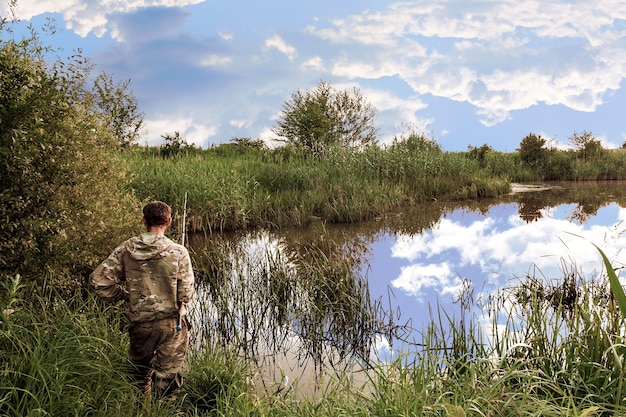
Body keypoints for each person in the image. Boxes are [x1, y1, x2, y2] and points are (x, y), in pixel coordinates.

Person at [89, 201, 195, 398]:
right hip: (172, 324)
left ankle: (140, 407)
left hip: (141, 323)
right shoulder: (179, 252)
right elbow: (186, 295)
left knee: (139, 374)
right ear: (169, 221)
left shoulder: (126, 249)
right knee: (167, 377)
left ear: (144, 220)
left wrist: (126, 296)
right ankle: (164, 410)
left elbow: (99, 282)